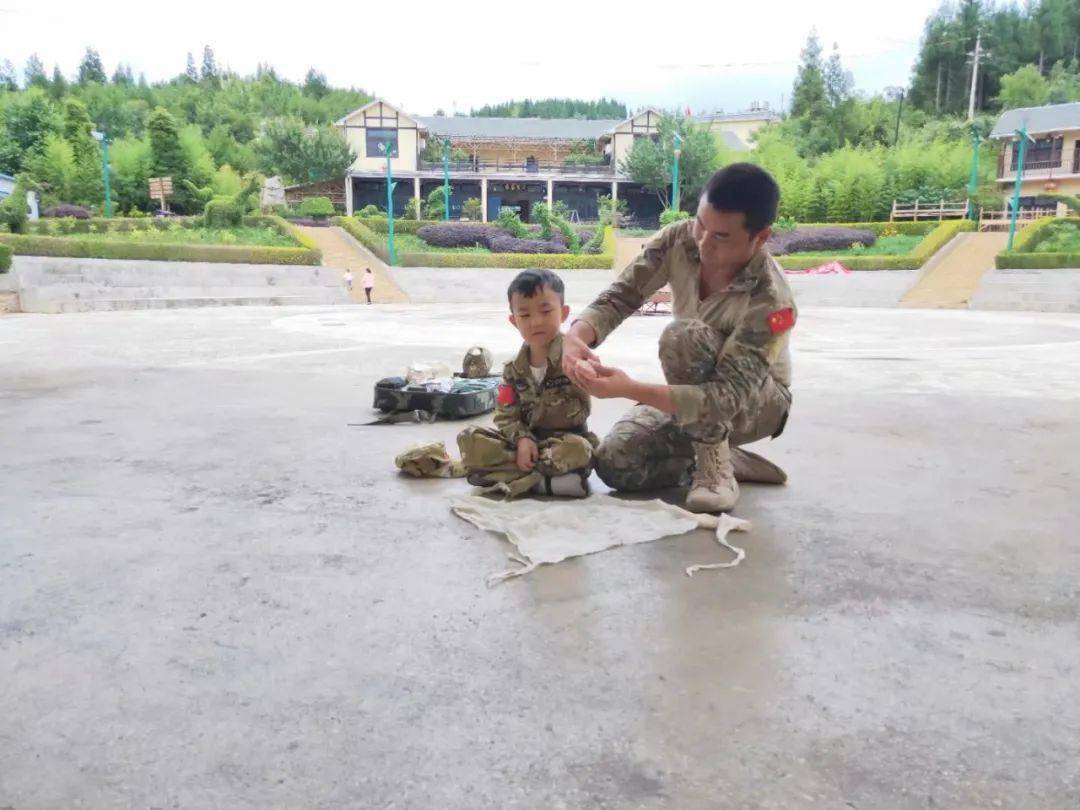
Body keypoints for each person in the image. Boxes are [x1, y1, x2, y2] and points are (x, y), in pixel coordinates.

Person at [562, 164, 795, 513]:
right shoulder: (679, 239)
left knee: (682, 338)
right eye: (701, 224)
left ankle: (715, 466)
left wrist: (630, 389)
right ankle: (728, 458)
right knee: (615, 463)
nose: (702, 241)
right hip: (696, 388)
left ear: (760, 238)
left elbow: (725, 399)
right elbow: (622, 295)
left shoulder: (772, 301)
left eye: (720, 236)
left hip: (755, 403)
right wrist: (575, 338)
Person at [457, 269, 596, 498]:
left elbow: (589, 398)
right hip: (526, 444)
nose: (536, 322)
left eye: (545, 311)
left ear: (564, 313)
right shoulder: (512, 369)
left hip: (565, 443)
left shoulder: (574, 356)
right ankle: (549, 482)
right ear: (514, 321)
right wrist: (522, 439)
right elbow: (505, 414)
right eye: (525, 315)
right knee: (470, 441)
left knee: (580, 450)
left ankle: (518, 478)